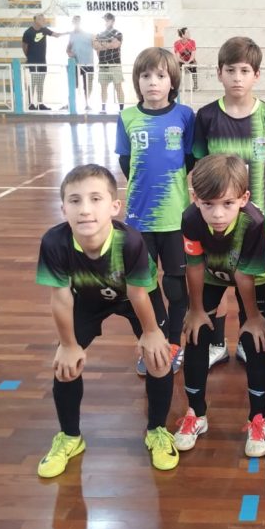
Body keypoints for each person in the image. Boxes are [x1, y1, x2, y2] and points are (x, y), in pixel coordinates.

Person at [35, 164, 178, 477]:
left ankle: (157, 430)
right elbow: (60, 298)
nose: (85, 209)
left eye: (95, 199)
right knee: (65, 365)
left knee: (158, 358)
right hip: (86, 299)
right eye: (75, 201)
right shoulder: (54, 243)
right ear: (63, 209)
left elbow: (139, 294)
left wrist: (151, 332)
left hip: (133, 297)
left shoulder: (130, 242)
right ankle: (70, 437)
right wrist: (68, 345)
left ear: (114, 207)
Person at [193, 36, 265, 366]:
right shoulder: (206, 116)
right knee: (215, 275)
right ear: (219, 72)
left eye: (245, 71)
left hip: (253, 217)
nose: (237, 77)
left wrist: (249, 193)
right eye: (230, 70)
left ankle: (248, 340)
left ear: (256, 75)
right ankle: (217, 343)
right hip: (215, 219)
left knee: (254, 278)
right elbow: (200, 165)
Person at [177, 154, 265, 458]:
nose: (218, 214)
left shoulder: (254, 223)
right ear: (195, 198)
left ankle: (258, 417)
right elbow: (194, 264)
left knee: (255, 341)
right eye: (208, 204)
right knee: (195, 334)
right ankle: (196, 413)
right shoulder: (190, 218)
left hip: (252, 278)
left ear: (244, 199)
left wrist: (253, 317)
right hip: (213, 272)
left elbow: (244, 275)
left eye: (227, 204)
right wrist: (195, 309)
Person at [117, 47, 195, 374]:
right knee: (143, 287)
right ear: (137, 81)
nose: (152, 82)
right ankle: (154, 342)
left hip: (175, 219)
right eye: (146, 75)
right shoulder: (127, 118)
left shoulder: (185, 116)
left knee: (175, 286)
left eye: (160, 76)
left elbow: (190, 159)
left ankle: (173, 343)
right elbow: (126, 162)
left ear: (172, 81)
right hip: (139, 220)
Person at [22, 12, 62, 110]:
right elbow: (24, 46)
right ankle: (31, 104)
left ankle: (40, 104)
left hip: (42, 61)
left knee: (40, 83)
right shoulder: (28, 32)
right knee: (33, 82)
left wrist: (68, 33)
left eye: (44, 19)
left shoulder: (44, 30)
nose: (43, 21)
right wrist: (29, 57)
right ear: (35, 20)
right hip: (33, 61)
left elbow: (56, 35)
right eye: (41, 19)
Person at [94, 12, 124, 112]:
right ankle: (103, 109)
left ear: (112, 21)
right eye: (105, 20)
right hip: (103, 65)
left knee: (118, 87)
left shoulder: (118, 33)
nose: (105, 22)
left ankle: (121, 109)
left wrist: (102, 44)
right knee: (103, 88)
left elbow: (115, 45)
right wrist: (108, 43)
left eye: (107, 20)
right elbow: (96, 46)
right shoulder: (99, 34)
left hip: (115, 64)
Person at [66, 15, 95, 110]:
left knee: (88, 86)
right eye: (75, 21)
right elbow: (68, 49)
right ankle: (70, 104)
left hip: (88, 63)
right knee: (73, 85)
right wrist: (70, 53)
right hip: (76, 64)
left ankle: (87, 104)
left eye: (78, 21)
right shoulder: (72, 35)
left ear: (81, 22)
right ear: (73, 23)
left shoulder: (90, 35)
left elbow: (96, 46)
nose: (76, 23)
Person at [173, 26, 198, 92]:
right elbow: (177, 58)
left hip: (190, 60)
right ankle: (176, 86)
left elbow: (193, 56)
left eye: (189, 32)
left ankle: (195, 86)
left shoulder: (192, 42)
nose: (189, 34)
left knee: (194, 67)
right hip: (181, 61)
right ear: (183, 35)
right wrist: (184, 62)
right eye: (187, 33)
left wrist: (188, 62)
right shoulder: (177, 43)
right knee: (176, 69)